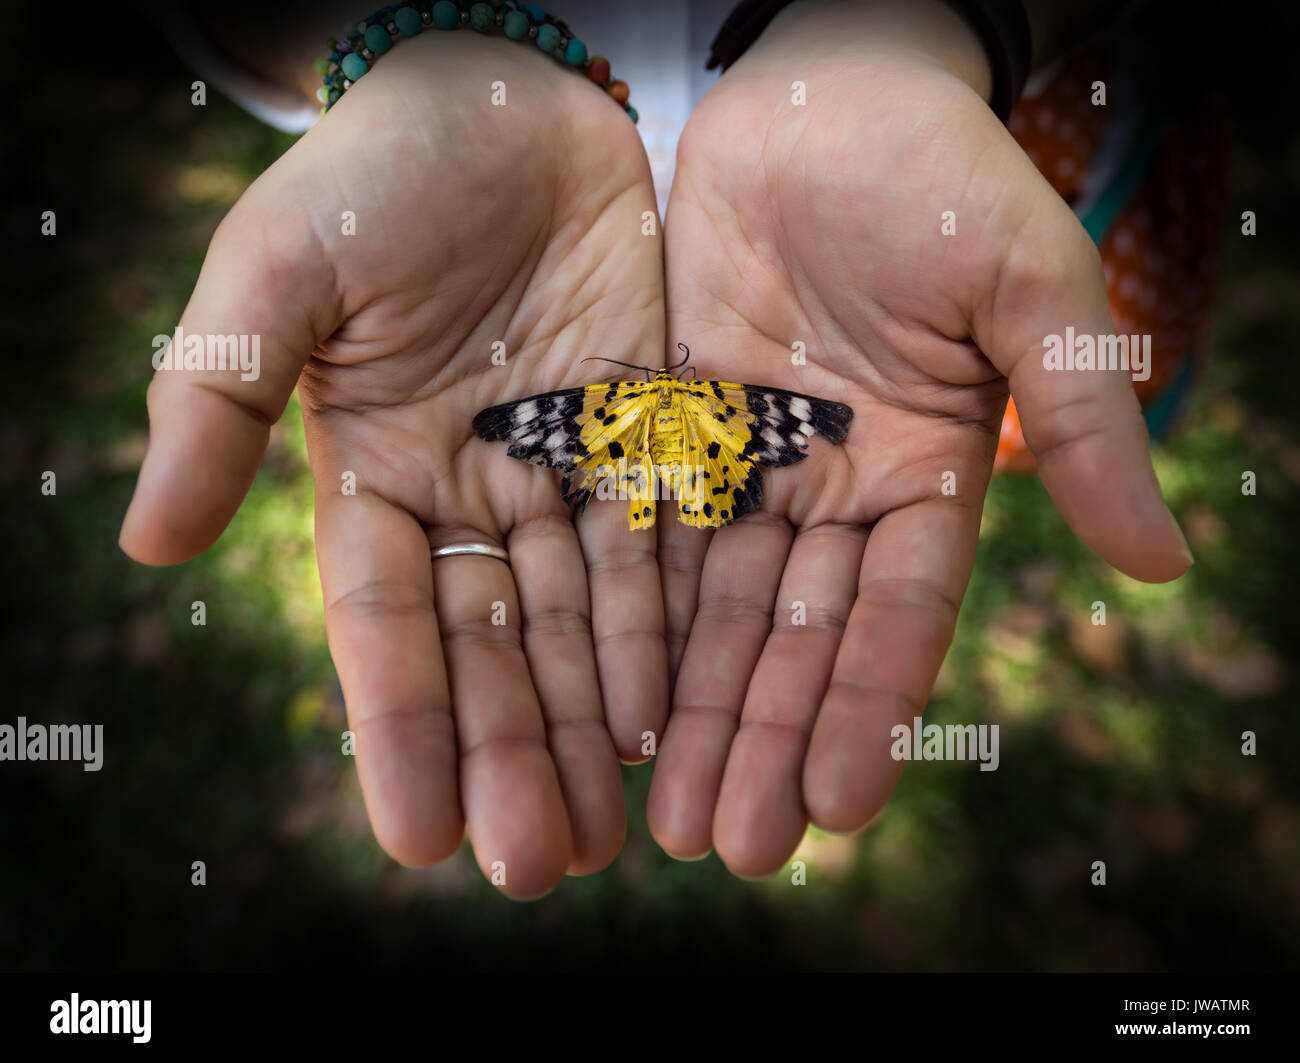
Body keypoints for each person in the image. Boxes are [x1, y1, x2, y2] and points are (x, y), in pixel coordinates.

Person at [122, 0, 1196, 898]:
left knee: (924, 427)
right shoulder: (721, 404)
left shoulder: (615, 410)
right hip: (634, 285)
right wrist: (418, 53)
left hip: (871, 269)